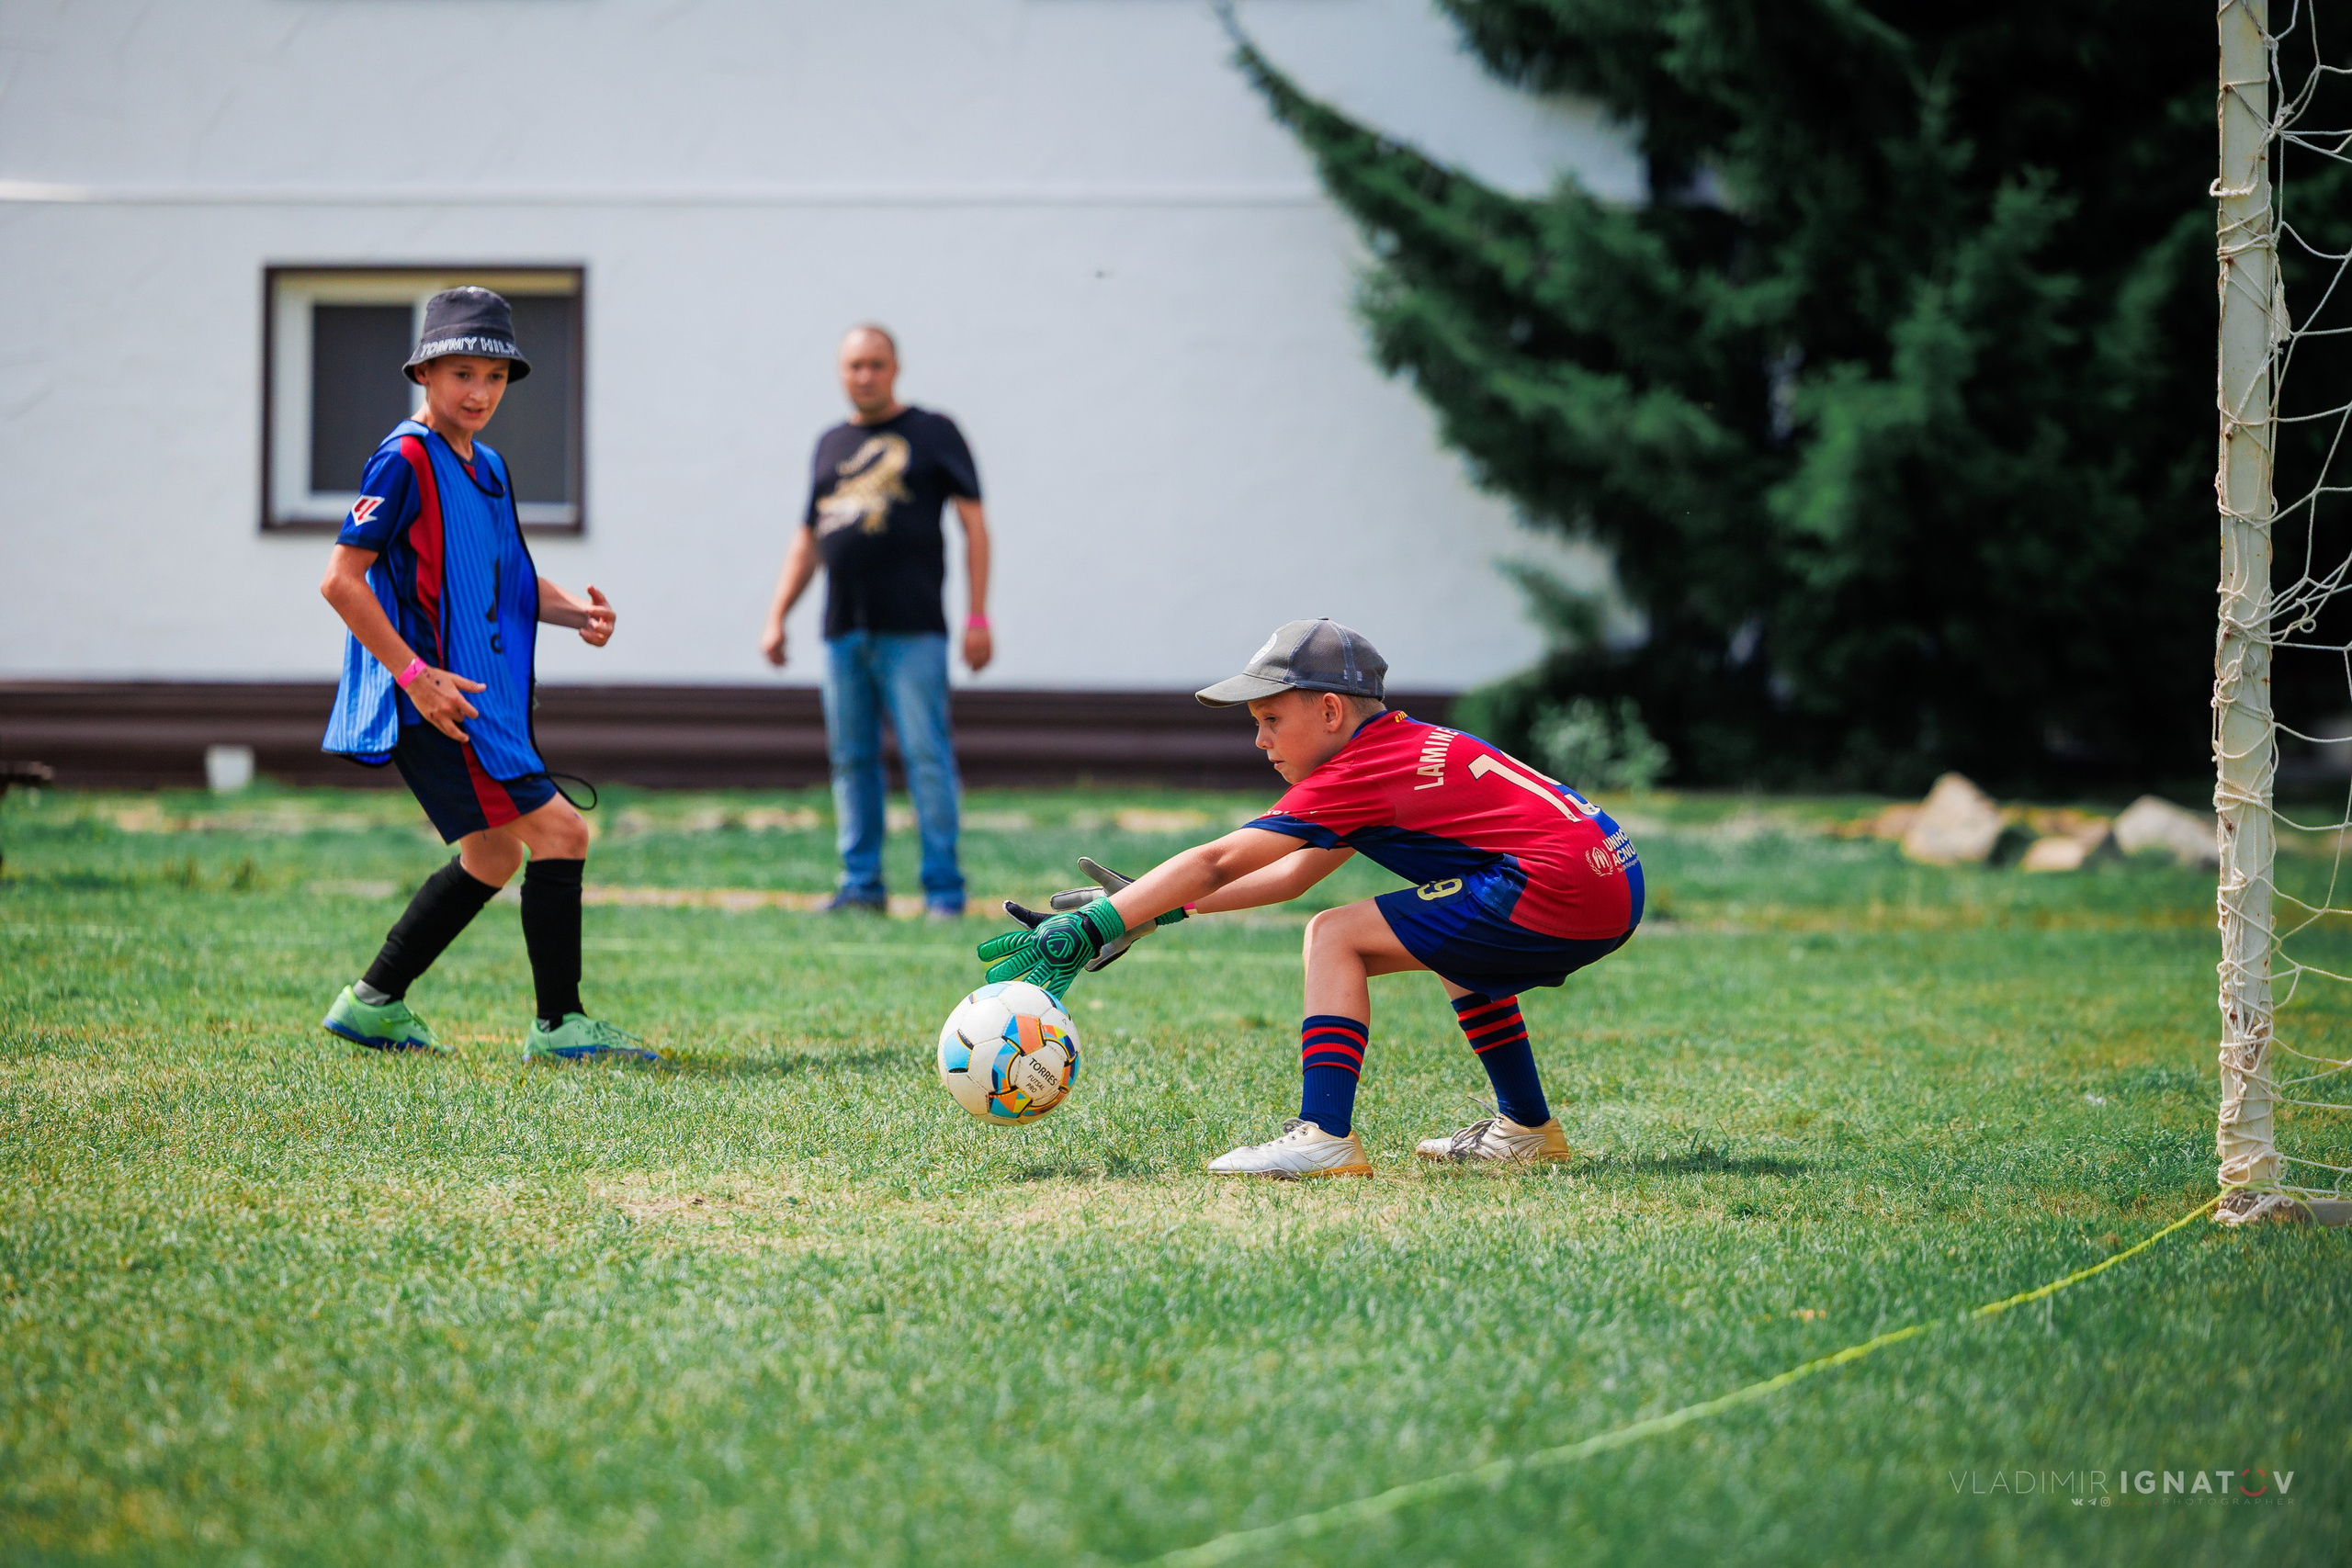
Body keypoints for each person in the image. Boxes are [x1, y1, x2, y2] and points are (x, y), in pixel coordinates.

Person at [977, 618, 1644, 1177]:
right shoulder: (1394, 750)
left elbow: (1217, 860)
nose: (1260, 739)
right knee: (1446, 933)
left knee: (1334, 935)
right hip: (1606, 876)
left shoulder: (1361, 768)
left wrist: (1097, 923)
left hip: (1559, 886)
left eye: (1270, 717)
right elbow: (1294, 872)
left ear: (1329, 710)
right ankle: (1527, 1127)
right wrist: (1158, 903)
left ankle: (1324, 1135)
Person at [315, 287, 650, 1062]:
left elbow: (507, 580)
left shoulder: (489, 467)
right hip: (436, 704)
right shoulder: (402, 459)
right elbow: (340, 579)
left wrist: (577, 614)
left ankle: (372, 1004)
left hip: (477, 703)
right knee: (562, 831)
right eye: (461, 372)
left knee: (494, 855)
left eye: (494, 378)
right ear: (425, 373)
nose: (479, 392)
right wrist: (414, 676)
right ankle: (560, 1025)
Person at [761, 324, 991, 919]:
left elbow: (974, 526)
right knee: (851, 760)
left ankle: (944, 890)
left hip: (914, 629)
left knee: (925, 755)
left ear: (896, 368)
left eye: (876, 364)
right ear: (842, 372)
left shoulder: (935, 432)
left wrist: (977, 614)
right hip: (843, 630)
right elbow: (808, 538)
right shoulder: (830, 443)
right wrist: (777, 615)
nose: (865, 375)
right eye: (854, 365)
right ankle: (861, 884)